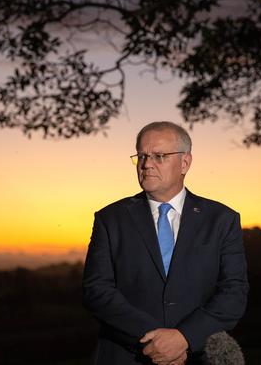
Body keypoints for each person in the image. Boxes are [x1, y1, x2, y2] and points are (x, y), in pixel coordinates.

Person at [82, 121, 249, 365]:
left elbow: (234, 292)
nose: (146, 164)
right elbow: (97, 291)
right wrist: (157, 341)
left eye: (159, 156)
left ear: (185, 163)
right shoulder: (110, 219)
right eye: (142, 156)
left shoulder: (222, 220)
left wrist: (185, 338)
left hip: (197, 358)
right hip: (127, 357)